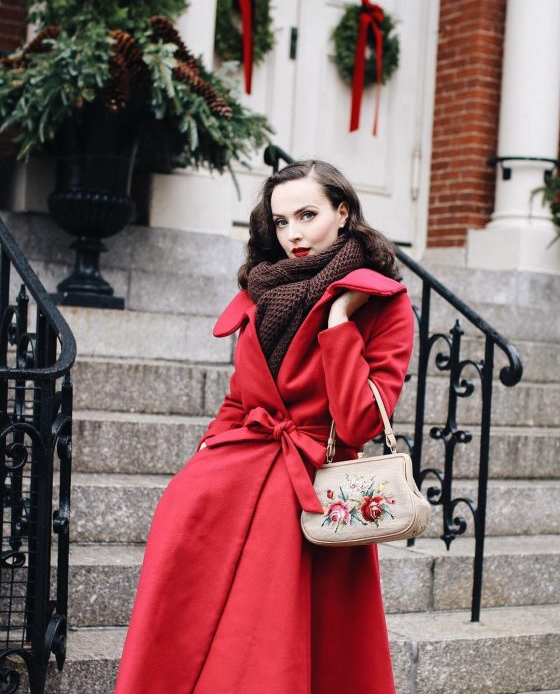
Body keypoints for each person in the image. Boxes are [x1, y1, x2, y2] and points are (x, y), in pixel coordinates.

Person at [114, 159, 415, 694]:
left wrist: (340, 322)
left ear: (342, 212)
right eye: (280, 222)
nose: (294, 234)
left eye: (307, 214)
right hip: (234, 478)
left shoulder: (382, 304)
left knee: (278, 647)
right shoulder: (262, 291)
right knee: (191, 627)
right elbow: (239, 398)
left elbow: (360, 423)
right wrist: (205, 457)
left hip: (312, 492)